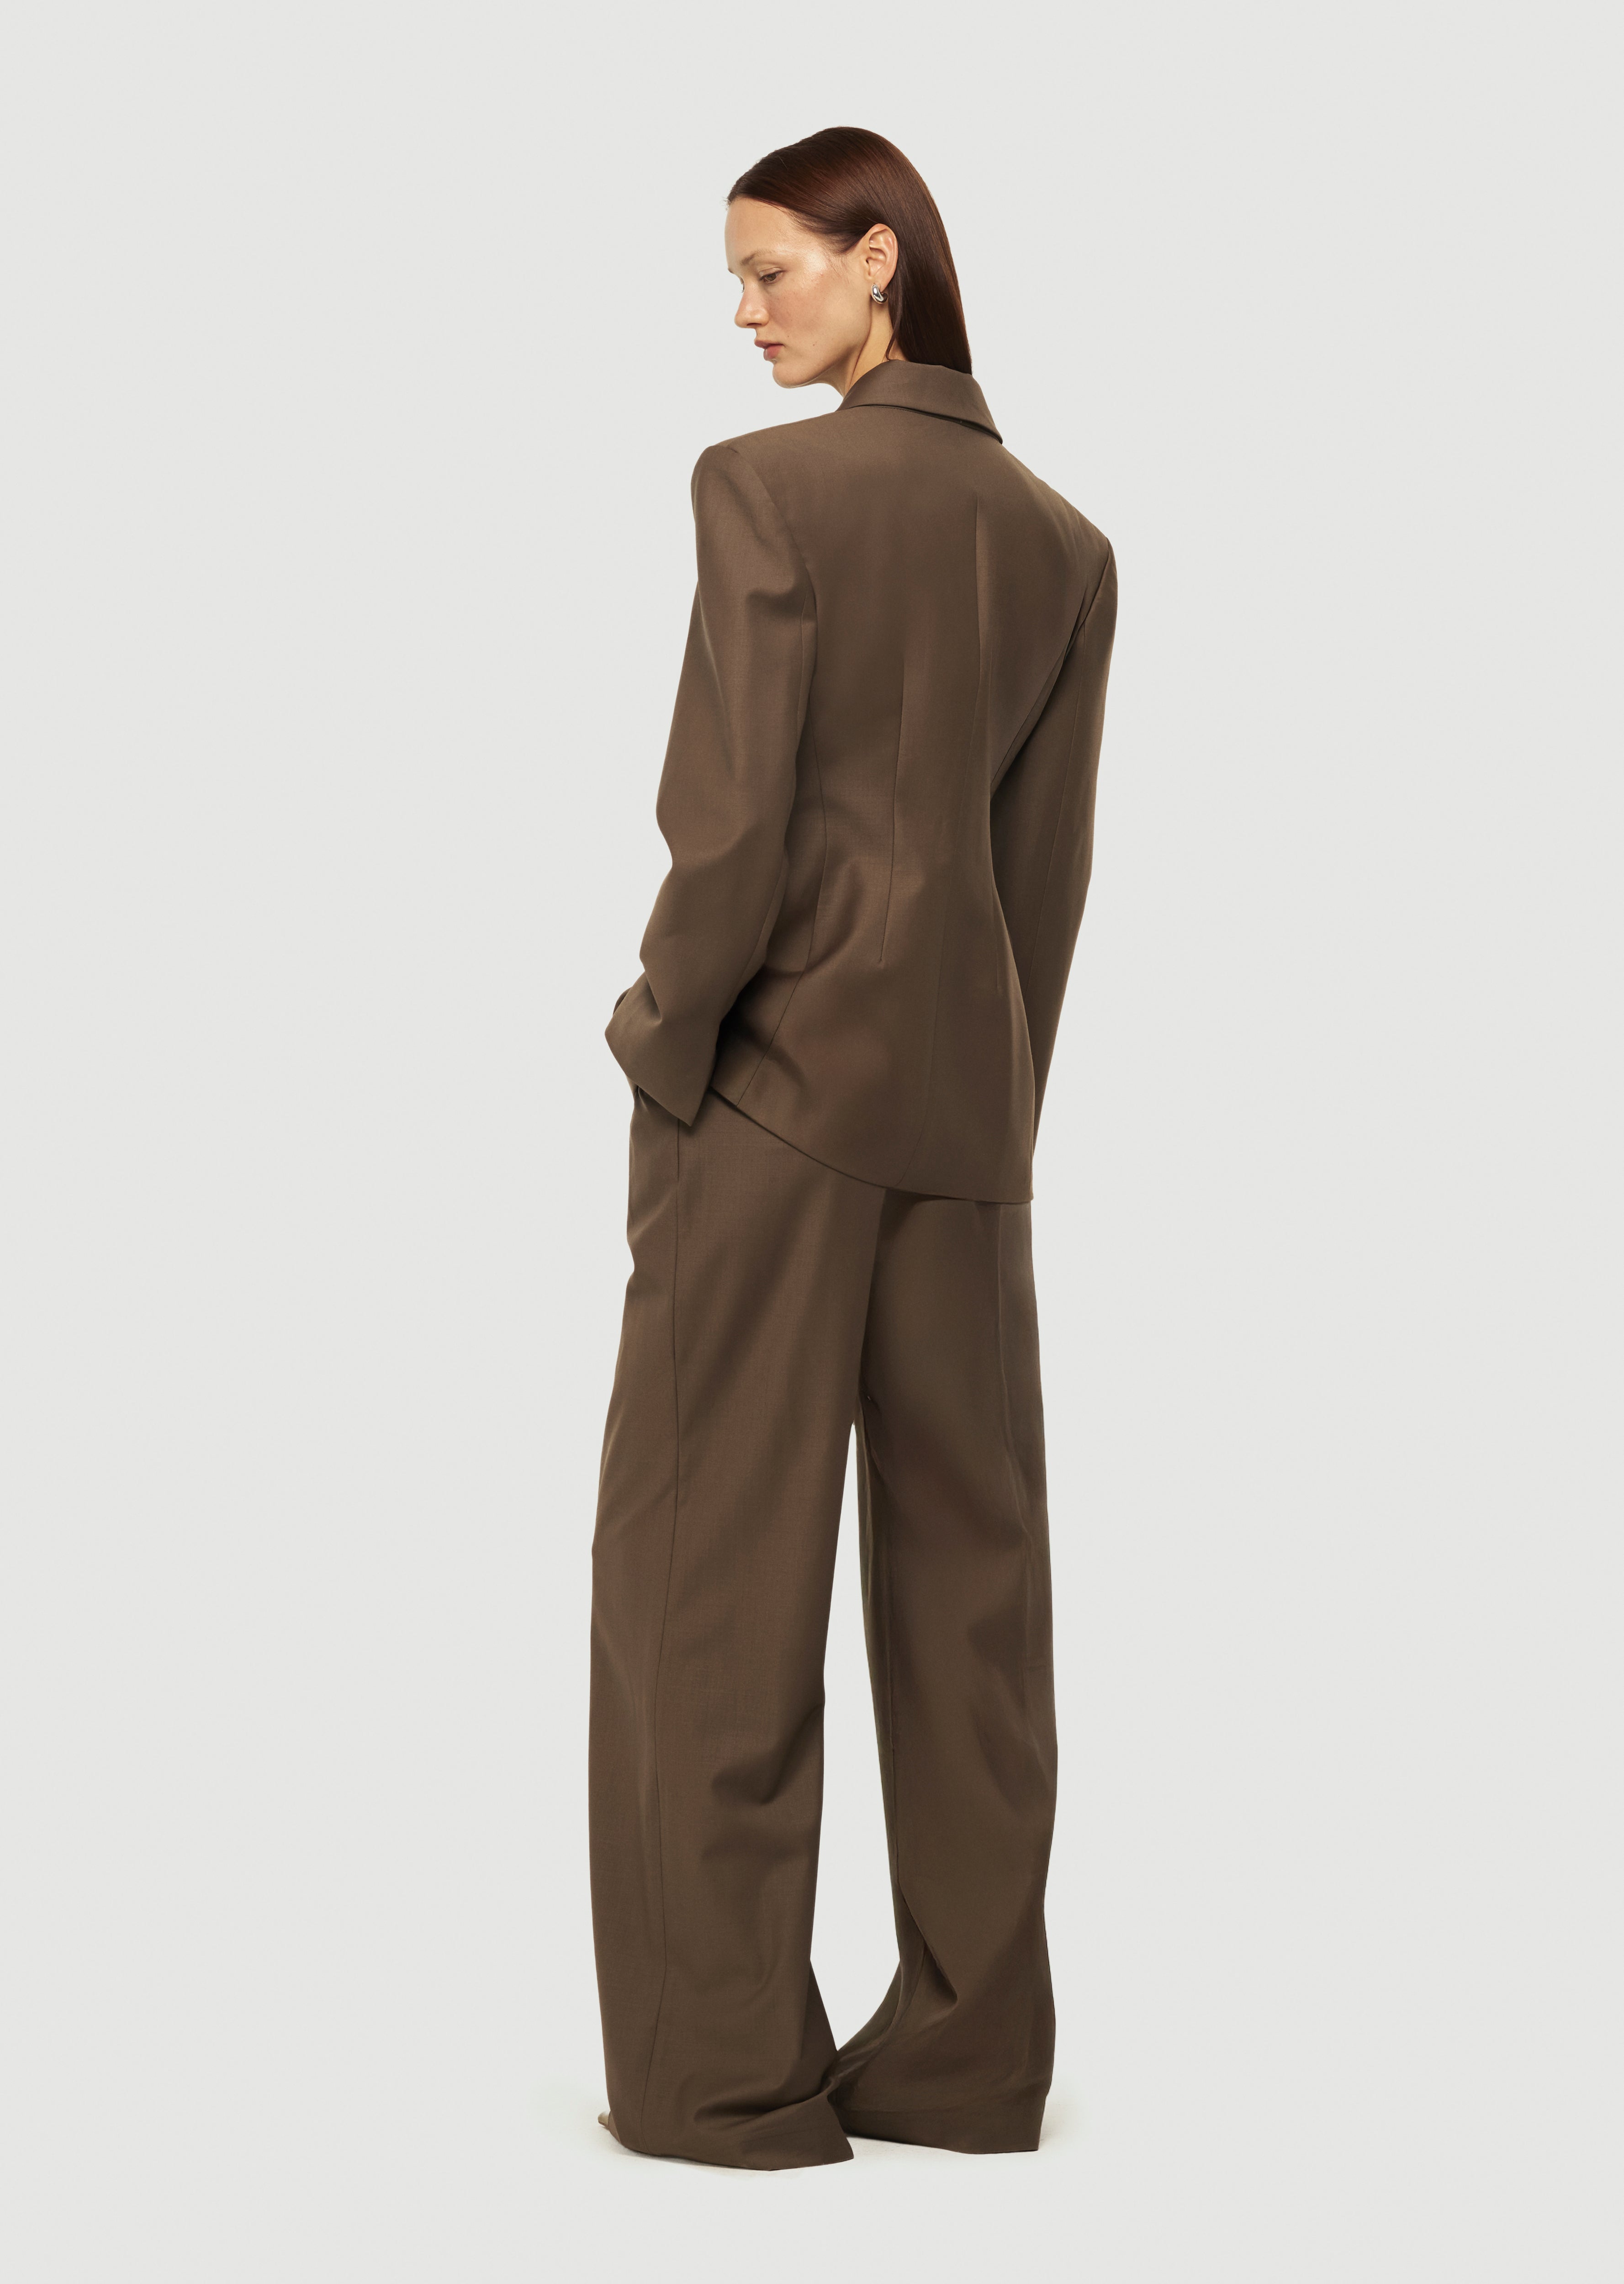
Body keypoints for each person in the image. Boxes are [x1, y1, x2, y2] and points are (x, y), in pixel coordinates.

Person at [588, 125, 1117, 2170]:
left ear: (876, 258)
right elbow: (1038, 882)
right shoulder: (1064, 544)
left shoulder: (766, 491)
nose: (741, 312)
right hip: (968, 1114)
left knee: (708, 1578)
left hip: (775, 1096)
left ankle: (722, 2072)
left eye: (767, 269)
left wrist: (662, 1039)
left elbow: (727, 835)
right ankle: (969, 2064)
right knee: (972, 1599)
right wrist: (993, 1096)